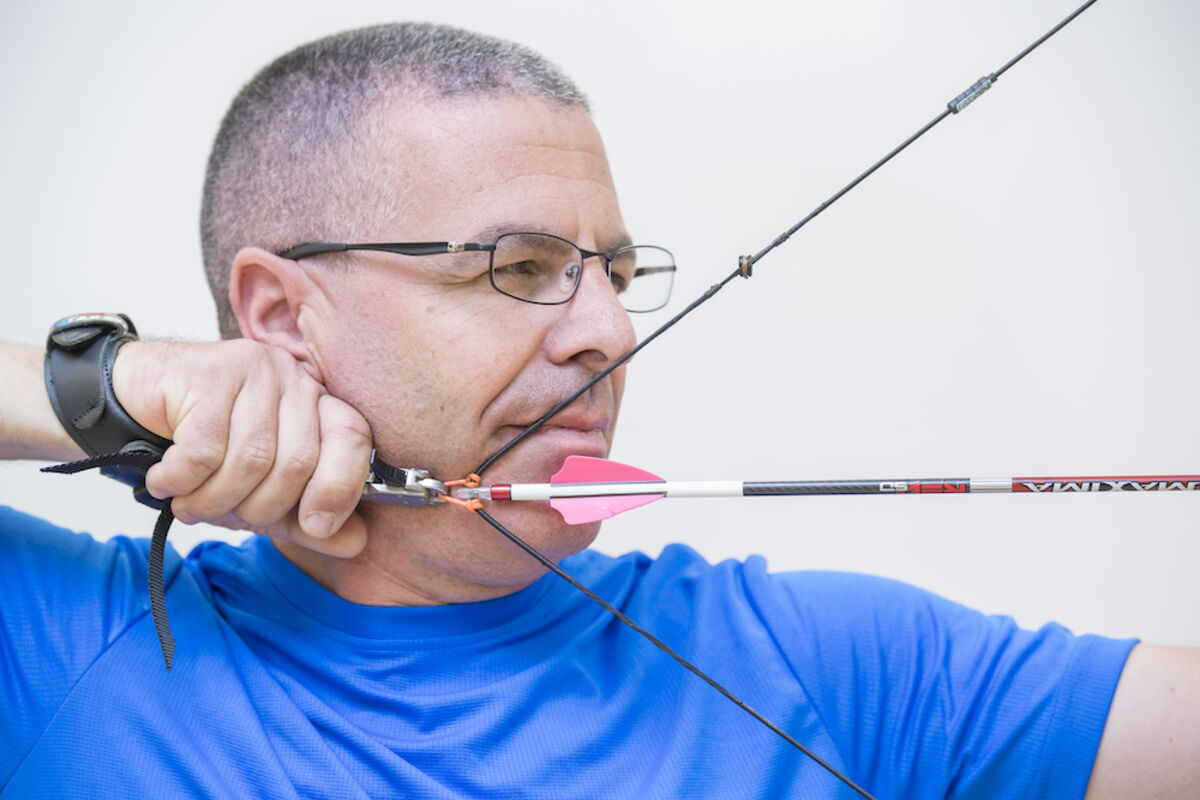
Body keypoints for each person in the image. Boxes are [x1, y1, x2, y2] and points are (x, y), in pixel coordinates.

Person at [1, 22, 1197, 800]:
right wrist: (93, 390)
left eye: (614, 272)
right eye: (519, 265)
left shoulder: (829, 664)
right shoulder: (61, 646)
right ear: (279, 315)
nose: (610, 334)